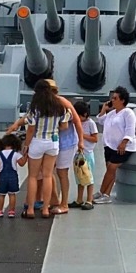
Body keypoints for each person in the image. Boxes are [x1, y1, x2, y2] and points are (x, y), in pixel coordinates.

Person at [21, 78, 70, 219]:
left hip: (37, 141)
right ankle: (45, 210)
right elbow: (65, 126)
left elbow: (30, 130)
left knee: (33, 176)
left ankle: (30, 209)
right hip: (53, 143)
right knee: (48, 175)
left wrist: (26, 146)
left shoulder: (35, 107)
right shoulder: (59, 106)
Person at [45, 79, 83, 215]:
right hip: (52, 143)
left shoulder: (63, 102)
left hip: (66, 143)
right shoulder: (45, 104)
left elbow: (77, 121)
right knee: (49, 172)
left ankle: (64, 203)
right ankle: (54, 200)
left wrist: (81, 141)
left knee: (62, 173)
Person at [94, 86, 136, 203]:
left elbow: (130, 129)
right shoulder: (112, 113)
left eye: (115, 98)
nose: (112, 100)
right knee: (110, 169)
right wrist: (104, 109)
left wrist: (124, 142)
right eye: (112, 98)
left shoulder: (128, 113)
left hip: (122, 147)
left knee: (111, 168)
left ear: (122, 100)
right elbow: (101, 121)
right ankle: (106, 195)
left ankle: (101, 192)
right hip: (110, 146)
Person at [71, 100, 98, 210]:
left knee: (89, 177)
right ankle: (79, 199)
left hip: (87, 154)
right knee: (80, 178)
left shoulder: (91, 123)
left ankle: (89, 200)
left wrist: (83, 135)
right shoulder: (75, 123)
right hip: (78, 154)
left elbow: (95, 138)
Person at [0, 134, 27, 218]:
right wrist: (26, 156)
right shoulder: (16, 154)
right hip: (13, 177)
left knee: (1, 194)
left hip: (2, 176)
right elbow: (22, 164)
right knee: (12, 194)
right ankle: (11, 211)